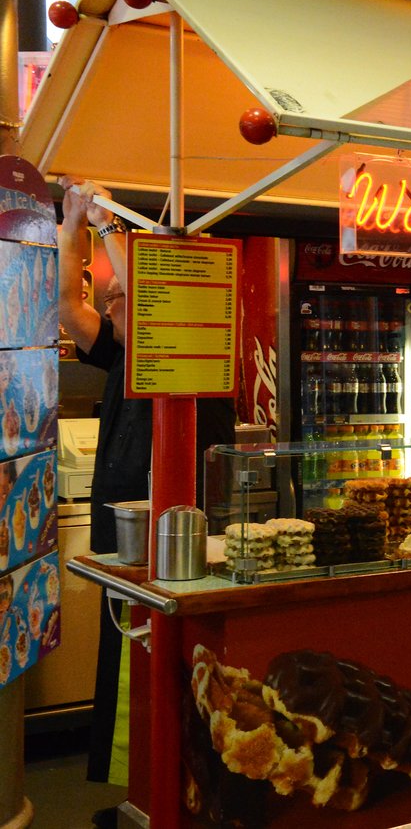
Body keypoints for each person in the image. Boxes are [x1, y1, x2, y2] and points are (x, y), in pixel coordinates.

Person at [57, 177, 235, 827]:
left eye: (124, 296)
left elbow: (152, 305)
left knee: (158, 677)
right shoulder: (125, 356)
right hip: (128, 548)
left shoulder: (189, 358)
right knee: (128, 676)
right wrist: (73, 223)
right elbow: (68, 313)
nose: (111, 299)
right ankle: (145, 793)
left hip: (174, 552)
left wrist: (106, 227)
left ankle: (166, 799)